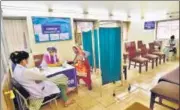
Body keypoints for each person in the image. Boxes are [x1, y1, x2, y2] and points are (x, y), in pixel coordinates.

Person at [10, 51, 74, 107]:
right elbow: (42, 77)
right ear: (23, 60)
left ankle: (66, 98)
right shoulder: (25, 71)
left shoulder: (16, 70)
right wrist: (39, 72)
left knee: (61, 82)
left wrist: (36, 74)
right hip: (39, 90)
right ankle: (66, 89)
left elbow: (31, 77)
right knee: (62, 76)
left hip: (34, 86)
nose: (28, 60)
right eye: (27, 59)